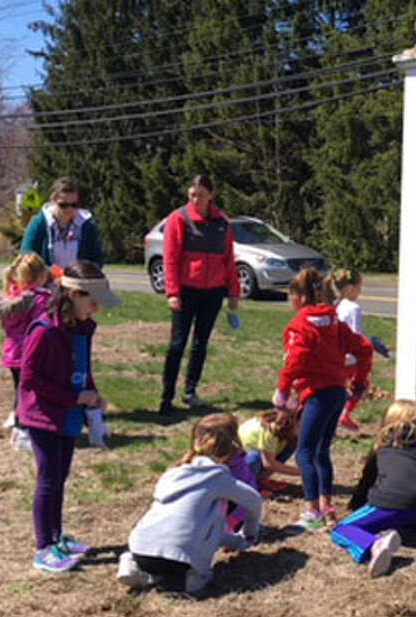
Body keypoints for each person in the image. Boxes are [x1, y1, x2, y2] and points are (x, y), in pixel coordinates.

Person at [18, 261, 121, 573]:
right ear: (74, 295)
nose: (97, 310)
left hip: (68, 415)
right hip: (43, 416)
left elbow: (83, 369)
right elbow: (29, 379)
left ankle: (57, 537)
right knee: (48, 479)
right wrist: (74, 397)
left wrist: (93, 395)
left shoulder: (83, 329)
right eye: (92, 303)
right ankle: (43, 548)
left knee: (60, 477)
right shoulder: (44, 331)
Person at [274, 267, 373, 530]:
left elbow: (294, 362)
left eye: (291, 297)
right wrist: (360, 381)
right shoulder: (335, 323)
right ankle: (327, 506)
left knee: (304, 452)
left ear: (300, 298)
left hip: (317, 395)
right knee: (321, 451)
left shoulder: (300, 326)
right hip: (337, 393)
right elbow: (363, 348)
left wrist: (283, 392)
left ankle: (312, 511)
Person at [119, 414, 263, 593]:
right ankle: (197, 576)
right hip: (184, 560)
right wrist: (249, 533)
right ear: (233, 445)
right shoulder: (219, 478)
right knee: (217, 508)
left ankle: (133, 565)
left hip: (141, 550)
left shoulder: (172, 473)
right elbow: (254, 500)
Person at [332, 400, 416, 577]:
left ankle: (374, 545)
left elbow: (367, 481)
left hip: (388, 502)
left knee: (342, 530)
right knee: (405, 527)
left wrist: (356, 504)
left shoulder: (382, 446)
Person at [159, 174, 241, 416]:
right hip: (186, 291)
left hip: (213, 292)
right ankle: (167, 396)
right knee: (177, 344)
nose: (196, 199)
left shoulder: (222, 223)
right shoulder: (179, 219)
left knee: (200, 343)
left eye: (201, 195)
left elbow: (229, 259)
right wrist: (172, 292)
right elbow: (170, 259)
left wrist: (233, 292)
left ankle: (190, 390)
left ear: (211, 195)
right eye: (192, 195)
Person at [0, 252, 53, 452]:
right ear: (41, 276)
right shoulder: (39, 300)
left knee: (19, 390)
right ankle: (24, 430)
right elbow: (43, 325)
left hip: (12, 352)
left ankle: (17, 421)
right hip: (31, 353)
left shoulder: (10, 298)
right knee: (30, 393)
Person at [20, 178, 106, 268]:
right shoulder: (39, 223)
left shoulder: (87, 225)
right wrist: (51, 273)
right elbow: (27, 257)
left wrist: (83, 272)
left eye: (74, 205)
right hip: (46, 280)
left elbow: (97, 259)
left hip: (78, 279)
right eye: (63, 205)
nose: (69, 209)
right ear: (53, 201)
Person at [334, 267, 368, 431]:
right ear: (351, 288)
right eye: (359, 288)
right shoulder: (354, 308)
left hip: (336, 354)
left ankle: (338, 414)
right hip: (351, 357)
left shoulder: (337, 305)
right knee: (359, 385)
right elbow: (356, 334)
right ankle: (344, 413)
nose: (360, 292)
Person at [238, 408, 301, 490]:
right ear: (289, 423)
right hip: (242, 460)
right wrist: (302, 472)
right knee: (254, 458)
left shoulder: (287, 431)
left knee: (291, 446)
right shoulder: (270, 431)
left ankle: (260, 479)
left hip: (263, 454)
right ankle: (249, 485)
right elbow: (269, 464)